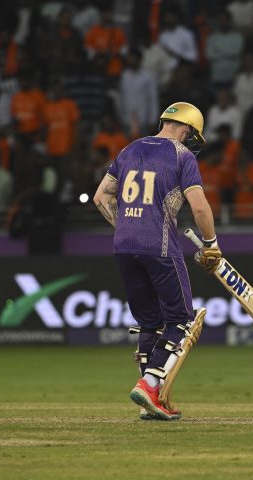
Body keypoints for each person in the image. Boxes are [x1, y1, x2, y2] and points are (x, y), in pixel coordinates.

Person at [92, 102, 220, 421]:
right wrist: (211, 244)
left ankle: (149, 402)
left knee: (150, 321)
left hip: (123, 245)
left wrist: (126, 227)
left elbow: (101, 197)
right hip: (159, 244)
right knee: (181, 319)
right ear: (187, 130)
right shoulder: (182, 156)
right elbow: (201, 207)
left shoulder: (129, 149)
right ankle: (150, 385)